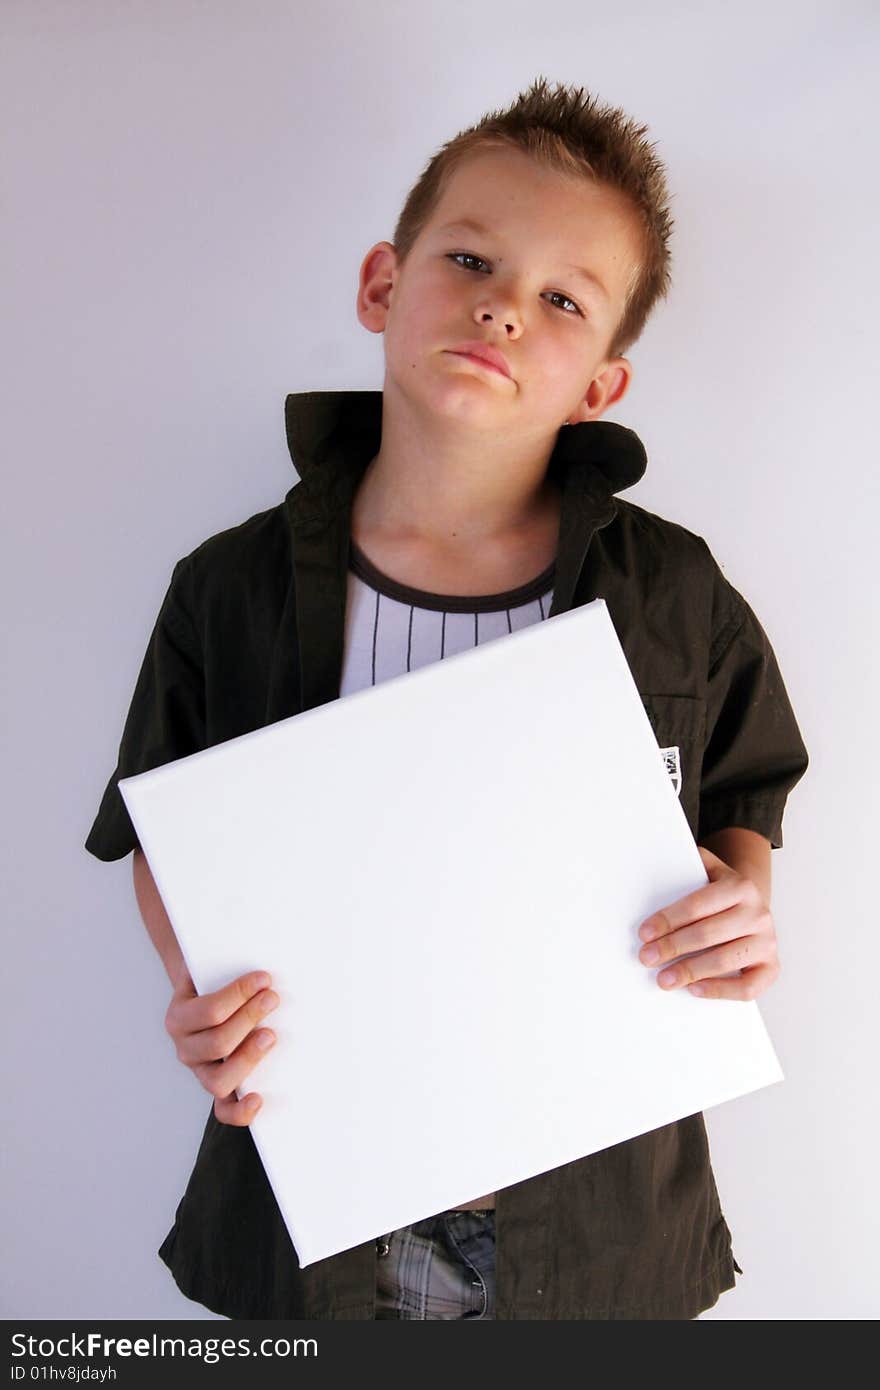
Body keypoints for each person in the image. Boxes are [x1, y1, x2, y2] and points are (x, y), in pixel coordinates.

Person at [85, 76, 809, 1320]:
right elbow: (163, 823)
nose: (503, 309)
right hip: (314, 1191)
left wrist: (736, 909)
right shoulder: (230, 589)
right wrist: (196, 986)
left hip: (597, 1213)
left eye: (563, 299)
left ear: (600, 385)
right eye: (470, 256)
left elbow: (745, 789)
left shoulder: (674, 592)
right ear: (381, 282)